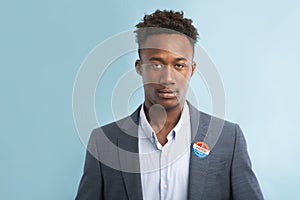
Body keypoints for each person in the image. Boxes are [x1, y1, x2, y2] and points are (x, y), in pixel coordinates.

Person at [75, 10, 264, 200]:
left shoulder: (227, 139)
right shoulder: (104, 142)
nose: (167, 78)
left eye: (179, 65)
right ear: (139, 67)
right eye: (156, 65)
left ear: (192, 69)